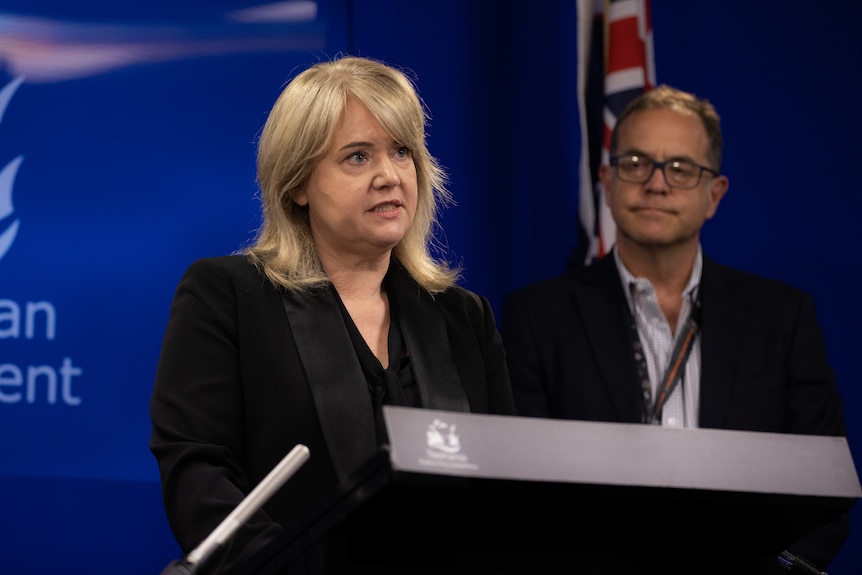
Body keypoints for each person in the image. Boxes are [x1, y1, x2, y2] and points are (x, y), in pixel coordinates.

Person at [149, 55, 515, 574]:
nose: (389, 176)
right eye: (357, 157)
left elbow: (504, 484)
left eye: (402, 151)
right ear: (297, 184)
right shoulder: (228, 296)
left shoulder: (463, 318)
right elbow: (197, 472)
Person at [501, 85, 851, 573]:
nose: (657, 184)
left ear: (715, 195)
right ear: (607, 180)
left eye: (682, 169)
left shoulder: (782, 318)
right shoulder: (535, 317)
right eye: (636, 162)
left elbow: (825, 485)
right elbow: (521, 490)